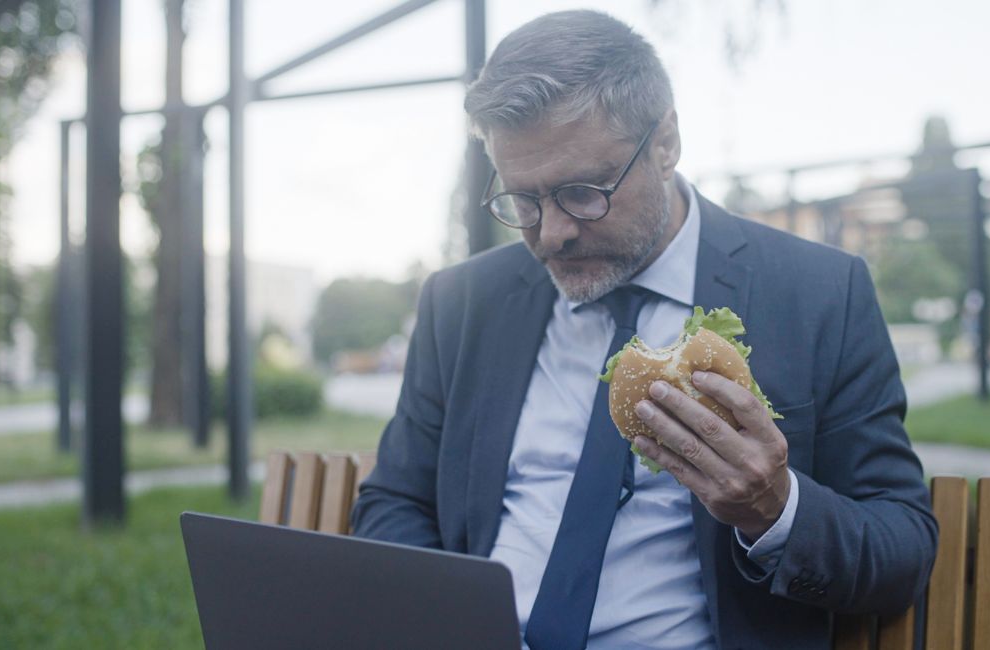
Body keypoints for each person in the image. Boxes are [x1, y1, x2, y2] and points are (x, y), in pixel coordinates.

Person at [351, 10, 937, 649]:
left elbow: (900, 544)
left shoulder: (818, 293)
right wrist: (453, 627)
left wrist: (774, 508)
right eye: (523, 200)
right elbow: (394, 502)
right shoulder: (461, 302)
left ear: (666, 142)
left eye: (582, 191)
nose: (551, 235)